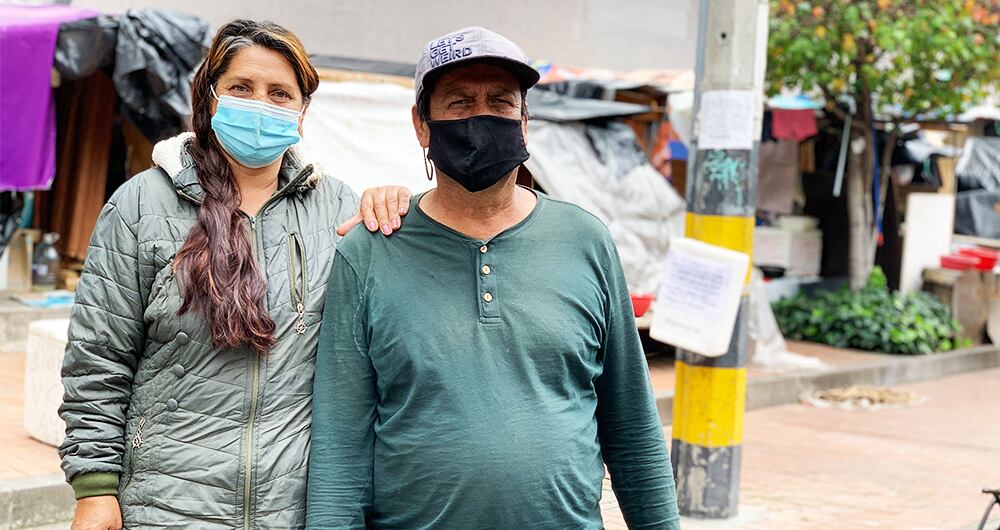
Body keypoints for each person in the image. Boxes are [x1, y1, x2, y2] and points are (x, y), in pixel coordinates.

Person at [307, 26, 680, 529]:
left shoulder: (585, 241)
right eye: (459, 102)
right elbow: (340, 445)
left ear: (524, 122)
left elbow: (632, 427)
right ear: (422, 125)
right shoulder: (369, 251)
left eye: (501, 102)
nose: (481, 117)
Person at [60, 20, 411, 530]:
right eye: (242, 88)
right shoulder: (142, 204)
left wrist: (398, 202)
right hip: (167, 505)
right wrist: (94, 489)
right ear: (212, 96)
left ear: (303, 110)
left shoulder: (337, 209)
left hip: (289, 510)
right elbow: (97, 359)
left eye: (279, 93)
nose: (261, 105)